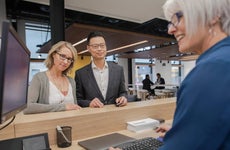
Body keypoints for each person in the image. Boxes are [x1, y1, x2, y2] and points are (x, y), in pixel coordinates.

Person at [110, 0, 230, 149]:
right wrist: (182, 132)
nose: (170, 30)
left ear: (213, 15)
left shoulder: (210, 71)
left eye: (177, 19)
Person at [24, 41, 81, 114]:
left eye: (69, 59)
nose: (66, 62)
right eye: (62, 56)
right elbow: (28, 107)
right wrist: (63, 107)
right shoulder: (39, 78)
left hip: (71, 123)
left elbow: (75, 107)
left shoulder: (71, 81)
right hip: (48, 124)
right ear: (53, 54)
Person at [75, 31, 128, 108]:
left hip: (115, 114)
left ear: (106, 47)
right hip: (93, 116)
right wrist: (89, 103)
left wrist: (123, 98)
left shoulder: (118, 70)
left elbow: (123, 92)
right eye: (95, 46)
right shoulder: (80, 74)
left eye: (102, 45)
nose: (99, 49)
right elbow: (78, 99)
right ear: (88, 48)